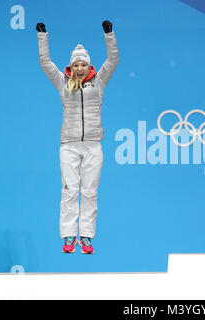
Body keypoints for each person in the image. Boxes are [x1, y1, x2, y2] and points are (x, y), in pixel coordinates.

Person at [36, 20, 119, 254]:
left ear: (89, 66)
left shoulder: (99, 81)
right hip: (69, 145)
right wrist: (43, 36)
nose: (80, 68)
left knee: (90, 192)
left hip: (93, 145)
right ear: (71, 68)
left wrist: (109, 34)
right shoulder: (63, 84)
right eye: (76, 65)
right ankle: (69, 236)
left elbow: (112, 60)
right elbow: (45, 63)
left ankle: (86, 237)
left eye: (84, 64)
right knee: (70, 191)